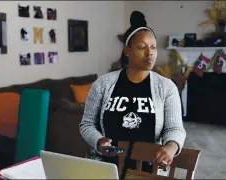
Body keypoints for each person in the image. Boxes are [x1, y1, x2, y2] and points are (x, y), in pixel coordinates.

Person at [79, 11, 186, 174]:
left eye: (153, 47)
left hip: (149, 169)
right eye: (142, 47)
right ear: (127, 51)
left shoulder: (166, 87)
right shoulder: (102, 84)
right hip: (105, 167)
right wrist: (99, 140)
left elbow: (175, 128)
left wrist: (171, 147)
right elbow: (87, 124)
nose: (149, 53)